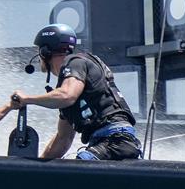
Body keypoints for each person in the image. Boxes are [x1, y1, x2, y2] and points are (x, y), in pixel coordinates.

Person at [11, 23, 141, 160]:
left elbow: (67, 95)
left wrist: (27, 99)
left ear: (45, 52)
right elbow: (63, 139)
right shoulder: (68, 86)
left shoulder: (74, 63)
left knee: (75, 174)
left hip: (114, 140)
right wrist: (37, 169)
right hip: (110, 142)